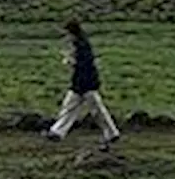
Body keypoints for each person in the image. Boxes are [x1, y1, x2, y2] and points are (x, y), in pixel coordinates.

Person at [45, 20, 121, 150]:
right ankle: (57, 132)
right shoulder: (81, 43)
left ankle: (111, 133)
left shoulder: (81, 45)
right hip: (84, 82)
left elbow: (84, 64)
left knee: (93, 110)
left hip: (85, 83)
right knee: (74, 107)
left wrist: (71, 61)